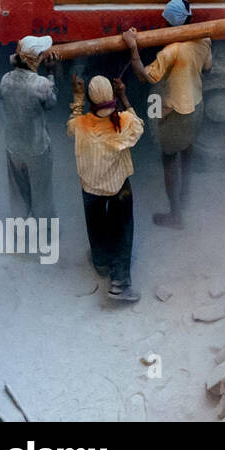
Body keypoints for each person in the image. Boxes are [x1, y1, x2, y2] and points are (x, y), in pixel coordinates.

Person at [122, 0, 211, 229]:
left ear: (169, 23)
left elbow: (145, 76)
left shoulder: (170, 51)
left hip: (175, 112)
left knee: (169, 159)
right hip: (197, 106)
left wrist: (133, 48)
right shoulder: (203, 39)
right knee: (188, 150)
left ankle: (176, 216)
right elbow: (208, 68)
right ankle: (186, 195)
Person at [67, 74, 143, 303]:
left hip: (90, 185)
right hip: (117, 185)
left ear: (91, 98)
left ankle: (100, 262)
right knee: (122, 230)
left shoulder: (80, 125)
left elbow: (72, 122)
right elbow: (138, 125)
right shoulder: (124, 122)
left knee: (96, 225)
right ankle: (119, 284)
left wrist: (77, 97)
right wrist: (124, 95)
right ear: (111, 94)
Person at [0, 35, 58, 221]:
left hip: (13, 146)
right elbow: (51, 104)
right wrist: (50, 73)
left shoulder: (5, 80)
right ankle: (46, 232)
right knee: (42, 193)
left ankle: (19, 230)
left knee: (18, 193)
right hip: (37, 148)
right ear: (37, 58)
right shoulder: (41, 84)